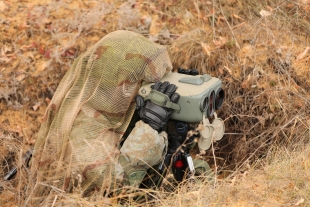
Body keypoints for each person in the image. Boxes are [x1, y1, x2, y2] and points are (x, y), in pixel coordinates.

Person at [25, 30, 185, 205]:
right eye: (145, 83)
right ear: (122, 85)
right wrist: (150, 127)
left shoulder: (114, 112)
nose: (150, 89)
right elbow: (117, 188)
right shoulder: (84, 132)